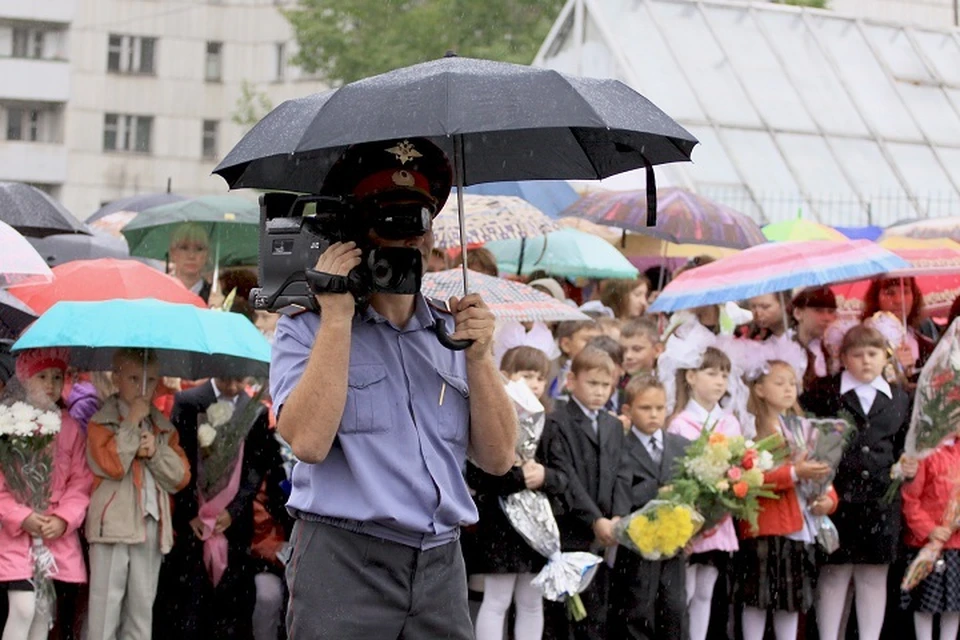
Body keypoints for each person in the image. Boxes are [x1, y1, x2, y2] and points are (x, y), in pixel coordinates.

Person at [270, 137, 516, 639]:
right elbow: (309, 443)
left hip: (440, 563)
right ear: (358, 233)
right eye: (390, 220)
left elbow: (498, 458)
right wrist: (337, 316)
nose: (407, 238)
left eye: (417, 221)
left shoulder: (456, 331)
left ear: (431, 235)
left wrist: (481, 358)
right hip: (343, 563)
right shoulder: (307, 328)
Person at [801, 325, 918, 640]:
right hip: (836, 499)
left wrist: (908, 463)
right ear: (843, 357)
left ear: (885, 356)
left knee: (873, 576)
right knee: (834, 574)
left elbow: (907, 444)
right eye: (857, 354)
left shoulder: (901, 398)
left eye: (873, 354)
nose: (866, 361)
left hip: (881, 501)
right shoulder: (824, 392)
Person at [154, 375, 275, 640]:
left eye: (238, 379)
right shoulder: (188, 401)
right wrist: (189, 514)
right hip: (193, 524)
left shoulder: (255, 409)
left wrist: (233, 510)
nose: (232, 386)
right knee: (189, 609)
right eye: (225, 378)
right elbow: (179, 460)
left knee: (230, 610)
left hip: (232, 525)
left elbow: (256, 468)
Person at [85, 348, 190, 640]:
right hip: (112, 527)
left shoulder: (163, 426)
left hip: (151, 527)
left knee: (141, 615)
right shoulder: (101, 422)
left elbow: (180, 477)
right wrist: (130, 424)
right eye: (133, 378)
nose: (143, 388)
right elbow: (112, 464)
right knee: (104, 613)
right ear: (116, 378)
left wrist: (155, 451)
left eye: (151, 380)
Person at [737, 345, 836, 640]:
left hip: (799, 523)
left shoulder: (806, 428)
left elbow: (826, 474)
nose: (787, 389)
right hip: (765, 524)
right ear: (759, 389)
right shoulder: (750, 429)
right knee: (757, 599)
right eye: (779, 383)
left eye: (792, 383)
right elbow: (751, 479)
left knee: (790, 602)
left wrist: (827, 500)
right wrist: (793, 473)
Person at [0, 348, 93, 640]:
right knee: (24, 607)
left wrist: (64, 518)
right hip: (16, 532)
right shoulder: (8, 423)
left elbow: (80, 481)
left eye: (57, 376)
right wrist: (21, 515)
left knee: (43, 611)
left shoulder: (70, 427)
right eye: (42, 377)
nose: (51, 384)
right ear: (26, 378)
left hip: (53, 534)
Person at [542, 346, 629, 640]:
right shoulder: (557, 422)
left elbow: (622, 472)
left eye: (606, 385)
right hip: (571, 527)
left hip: (605, 531)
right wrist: (594, 519)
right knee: (564, 614)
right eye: (592, 383)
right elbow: (566, 477)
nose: (599, 391)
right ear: (572, 380)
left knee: (597, 611)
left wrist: (617, 517)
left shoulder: (612, 425)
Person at [471, 346, 557, 640]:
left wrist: (543, 475)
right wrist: (518, 475)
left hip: (537, 521)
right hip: (501, 521)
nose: (534, 384)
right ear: (506, 377)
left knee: (532, 601)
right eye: (526, 375)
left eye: (540, 378)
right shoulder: (491, 413)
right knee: (497, 600)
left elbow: (561, 469)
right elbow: (481, 472)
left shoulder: (551, 419)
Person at [663, 338, 742, 640]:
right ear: (691, 376)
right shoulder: (680, 424)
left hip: (718, 516)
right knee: (685, 589)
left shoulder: (729, 422)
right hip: (690, 517)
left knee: (706, 590)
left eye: (724, 374)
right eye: (710, 373)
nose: (719, 381)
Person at [609, 375, 689, 640]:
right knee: (636, 611)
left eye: (660, 408)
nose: (654, 414)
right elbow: (617, 493)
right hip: (635, 546)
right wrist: (655, 494)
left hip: (673, 546)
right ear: (627, 411)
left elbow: (696, 492)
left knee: (674, 610)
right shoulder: (619, 446)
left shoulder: (681, 446)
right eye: (645, 408)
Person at [900, 436, 960, 640]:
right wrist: (929, 529)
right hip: (926, 545)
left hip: (956, 544)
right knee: (925, 603)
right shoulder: (924, 452)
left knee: (954, 605)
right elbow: (911, 498)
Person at [861, 276, 938, 375]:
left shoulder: (927, 347)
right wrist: (893, 364)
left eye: (905, 292)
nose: (898, 300)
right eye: (889, 293)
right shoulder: (861, 342)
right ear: (876, 298)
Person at [791, 286, 838, 391]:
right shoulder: (785, 347)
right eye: (819, 310)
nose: (827, 318)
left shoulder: (827, 348)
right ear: (798, 313)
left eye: (831, 312)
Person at [548, 319, 603, 400]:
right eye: (588, 340)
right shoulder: (549, 371)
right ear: (566, 344)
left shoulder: (604, 368)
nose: (595, 345)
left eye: (599, 341)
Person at [168, 222, 211, 302]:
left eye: (199, 249)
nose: (191, 256)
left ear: (207, 255)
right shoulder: (159, 291)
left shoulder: (214, 296)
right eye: (184, 248)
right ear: (173, 253)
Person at [619, 317, 663, 389]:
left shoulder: (667, 382)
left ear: (657, 350)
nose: (628, 356)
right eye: (623, 350)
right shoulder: (616, 384)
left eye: (637, 349)